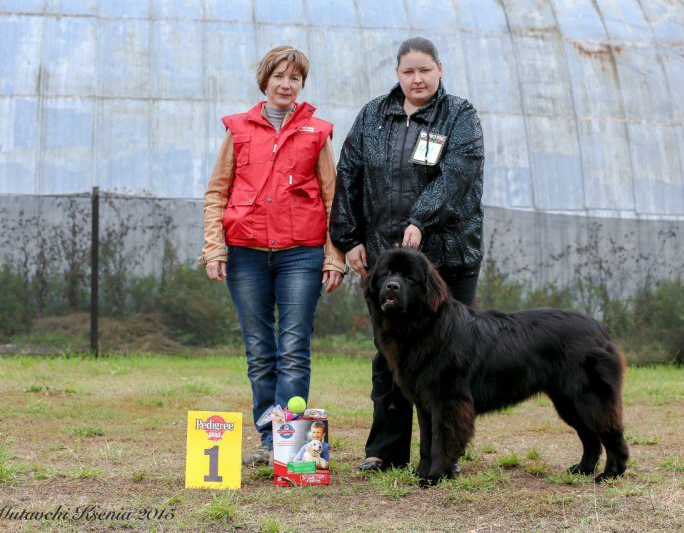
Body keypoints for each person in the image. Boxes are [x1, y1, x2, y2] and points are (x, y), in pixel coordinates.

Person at [330, 37, 484, 473]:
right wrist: (348, 236)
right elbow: (349, 175)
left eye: (425, 70)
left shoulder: (460, 116)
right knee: (391, 359)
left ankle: (443, 456)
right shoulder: (374, 116)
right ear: (398, 74)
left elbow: (458, 175)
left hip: (448, 258)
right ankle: (385, 451)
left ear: (440, 69)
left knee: (449, 362)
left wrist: (421, 218)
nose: (417, 79)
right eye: (408, 72)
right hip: (387, 262)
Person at [200, 46, 346, 466]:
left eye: (294, 79)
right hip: (245, 254)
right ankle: (269, 441)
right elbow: (217, 191)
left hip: (301, 254)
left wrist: (333, 256)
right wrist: (215, 246)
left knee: (294, 346)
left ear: (302, 85)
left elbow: (333, 198)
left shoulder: (317, 132)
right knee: (260, 350)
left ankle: (292, 444)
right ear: (265, 81)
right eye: (279, 77)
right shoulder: (238, 129)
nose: (286, 84)